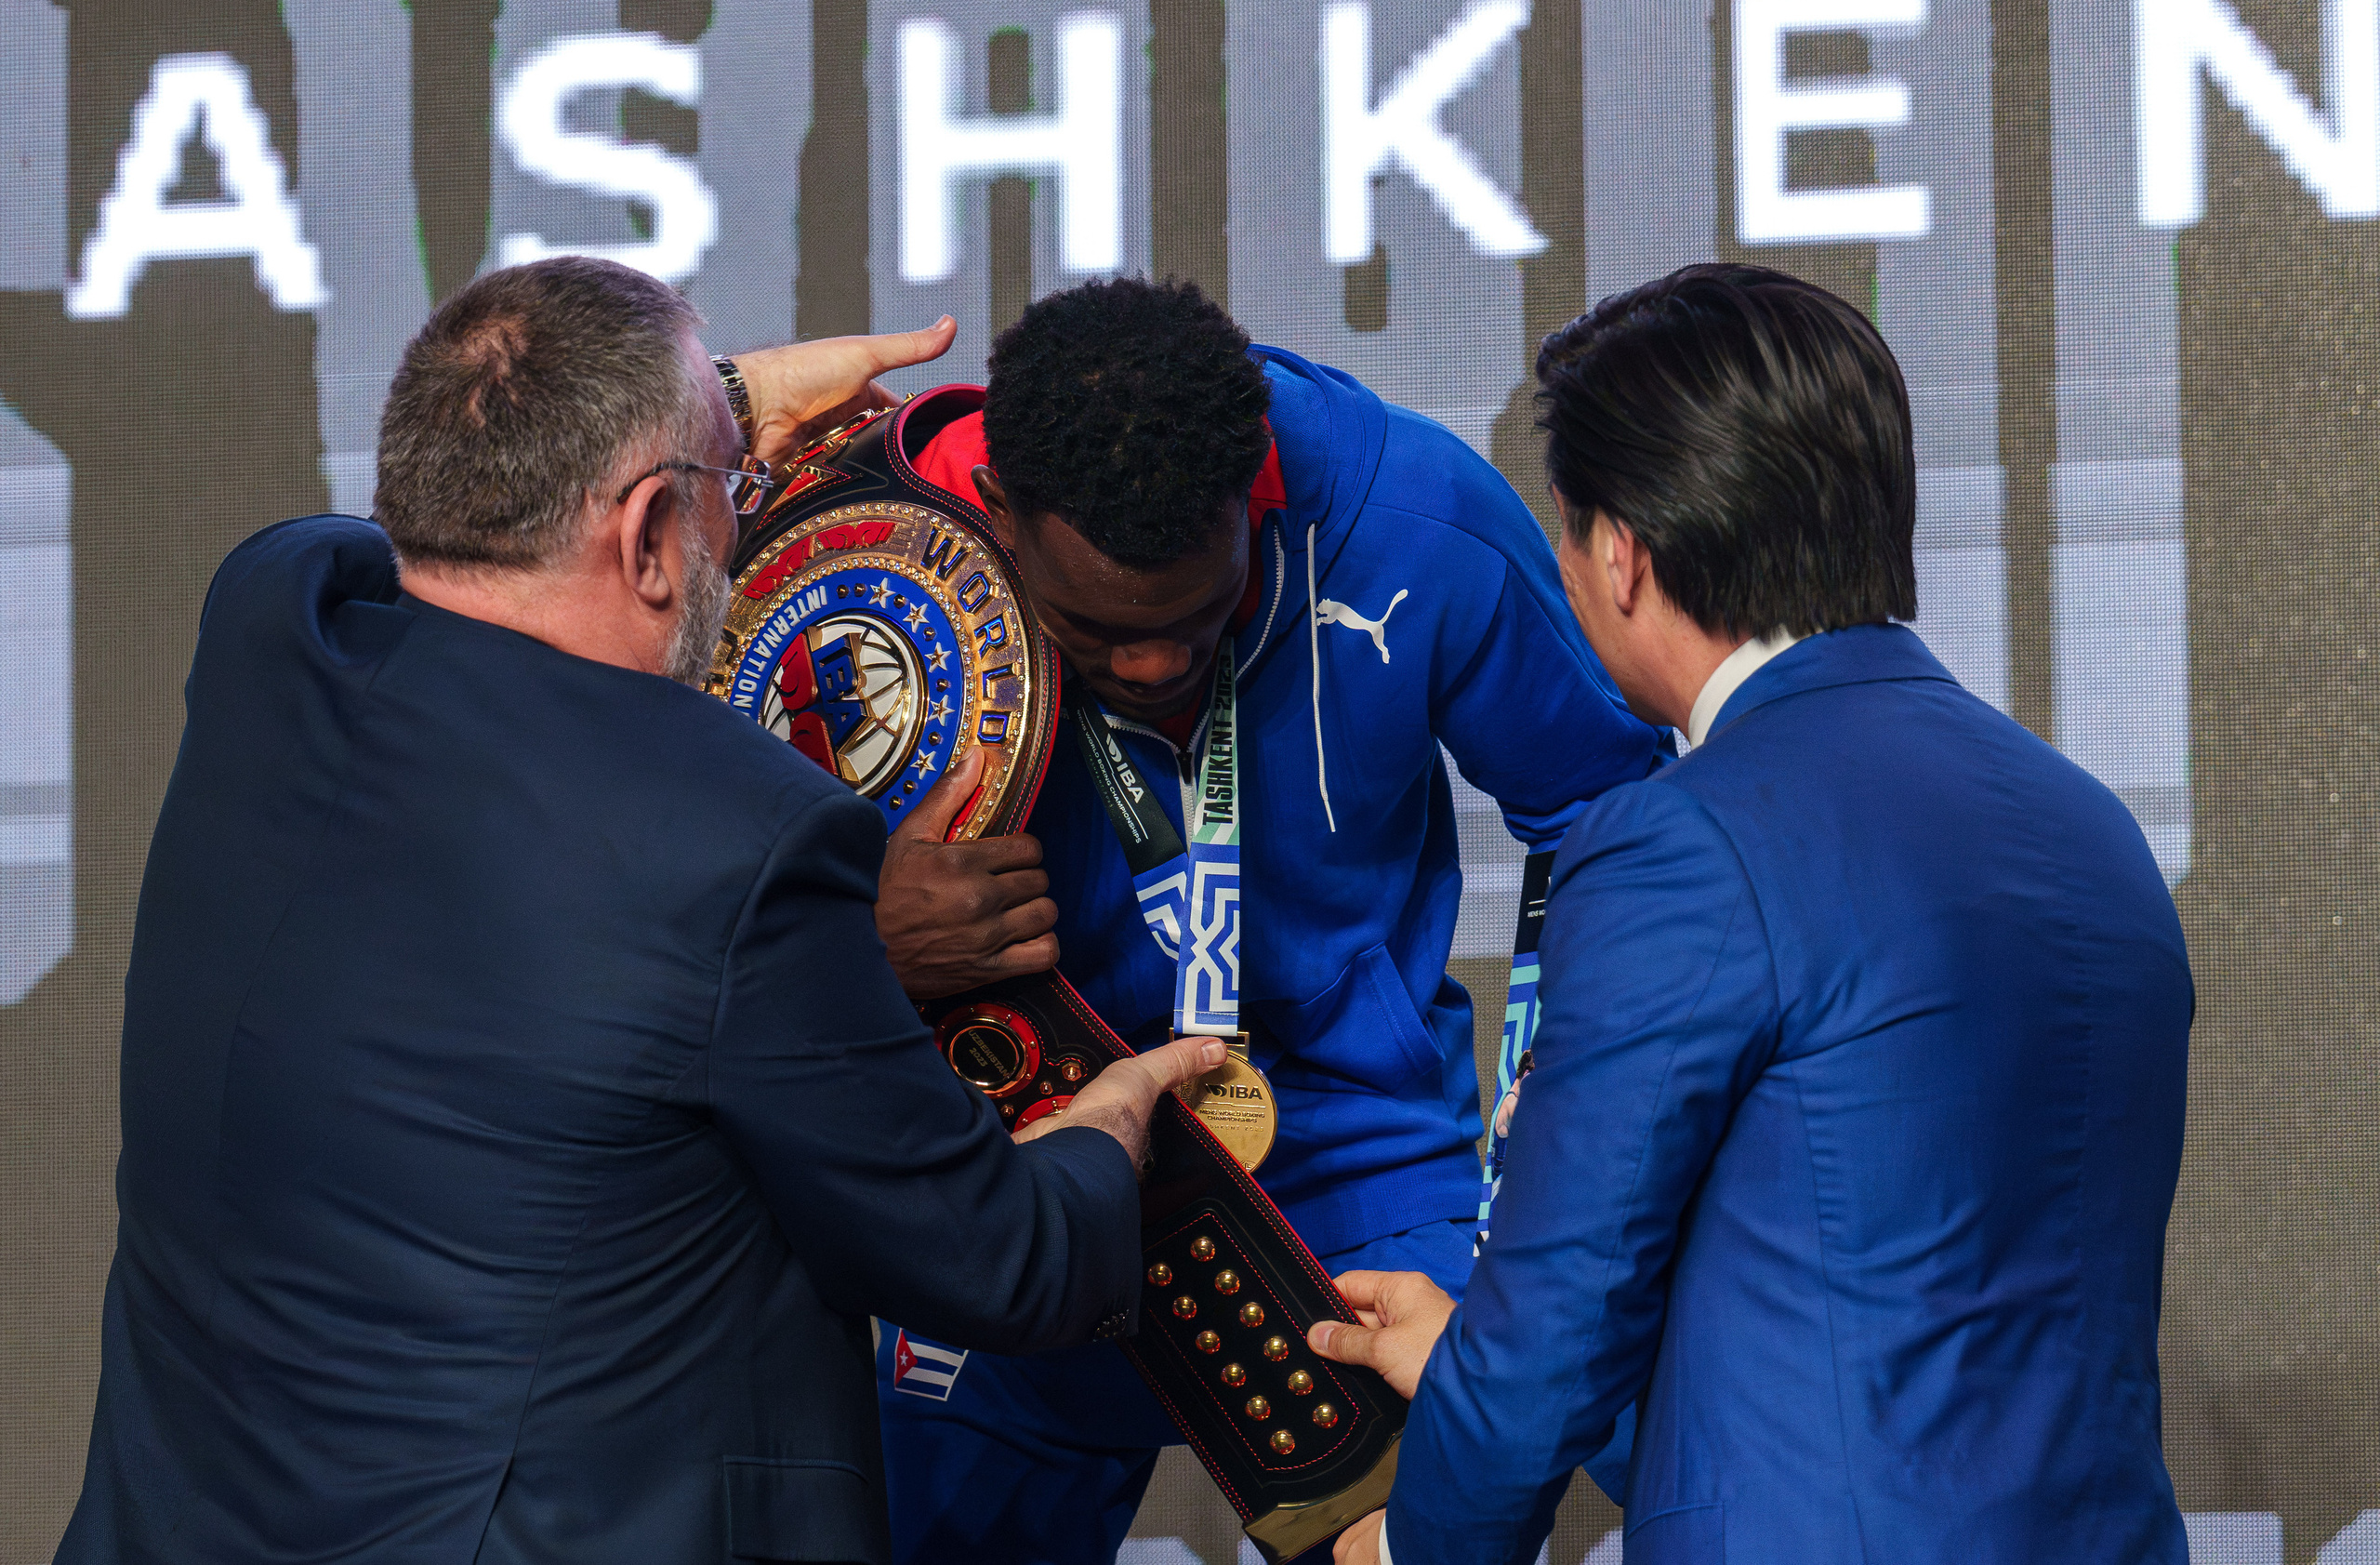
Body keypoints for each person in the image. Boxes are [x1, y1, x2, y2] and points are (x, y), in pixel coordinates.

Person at [53, 257, 1223, 1565]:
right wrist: (1108, 1124)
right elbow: (1002, 1265)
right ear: (651, 537)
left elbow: (411, 535)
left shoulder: (273, 627)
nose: (739, 528)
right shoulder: (741, 835)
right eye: (727, 494)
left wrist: (712, 410)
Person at [1306, 263, 2194, 1564]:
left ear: (1620, 554)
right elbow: (1864, 1317)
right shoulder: (2092, 827)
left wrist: (1413, 1548)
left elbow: (1562, 1326)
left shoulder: (1683, 841)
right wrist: (1466, 1357)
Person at [862, 277, 1664, 1564]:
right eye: (1098, 633)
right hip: (1019, 1163)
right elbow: (683, 876)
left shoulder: (1420, 521)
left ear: (1261, 493)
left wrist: (1542, 1124)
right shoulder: (879, 552)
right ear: (1001, 519)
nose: (1153, 668)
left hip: (1359, 1176)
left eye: (1196, 618)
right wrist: (860, 925)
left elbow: (1611, 814)